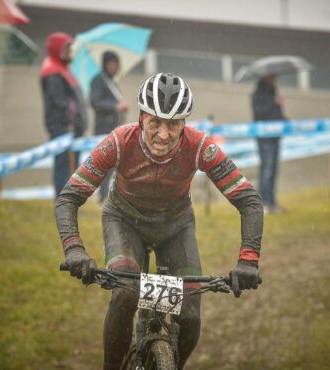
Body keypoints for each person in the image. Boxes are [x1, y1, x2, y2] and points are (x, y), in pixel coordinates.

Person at [55, 73, 263, 369]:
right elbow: (68, 198)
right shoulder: (118, 141)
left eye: (173, 124)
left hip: (174, 229)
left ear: (184, 125)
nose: (163, 134)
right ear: (141, 118)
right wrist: (74, 249)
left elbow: (249, 200)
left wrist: (248, 260)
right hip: (124, 221)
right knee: (126, 294)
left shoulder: (198, 146)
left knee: (189, 317)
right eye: (155, 122)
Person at [40, 32, 87, 197]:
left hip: (73, 130)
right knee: (63, 168)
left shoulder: (64, 70)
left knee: (72, 169)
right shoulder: (52, 71)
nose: (70, 51)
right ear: (57, 49)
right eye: (66, 47)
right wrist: (70, 124)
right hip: (64, 129)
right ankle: (62, 202)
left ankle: (70, 202)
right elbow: (59, 102)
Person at [90, 50, 128, 203]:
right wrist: (115, 107)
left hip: (113, 127)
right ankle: (103, 195)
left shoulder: (112, 81)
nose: (113, 66)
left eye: (115, 64)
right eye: (111, 63)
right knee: (104, 163)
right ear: (105, 64)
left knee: (113, 163)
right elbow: (95, 102)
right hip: (103, 128)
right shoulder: (98, 80)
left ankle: (108, 194)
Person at [252, 74, 285, 214]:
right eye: (271, 77)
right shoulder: (257, 94)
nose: (274, 80)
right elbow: (258, 113)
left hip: (275, 137)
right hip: (264, 138)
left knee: (273, 170)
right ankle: (263, 203)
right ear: (265, 78)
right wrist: (274, 102)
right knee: (266, 170)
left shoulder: (273, 92)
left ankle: (271, 202)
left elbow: (278, 115)